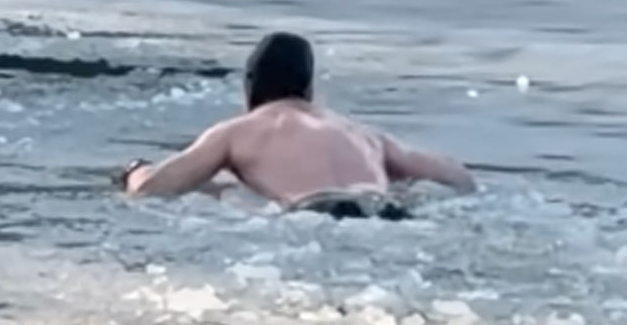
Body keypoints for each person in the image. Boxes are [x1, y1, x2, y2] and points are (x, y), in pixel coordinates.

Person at [113, 32, 476, 219]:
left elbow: (154, 189)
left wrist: (134, 170)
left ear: (249, 87)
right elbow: (457, 176)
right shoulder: (362, 134)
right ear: (309, 88)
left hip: (316, 215)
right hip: (384, 211)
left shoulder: (237, 131)